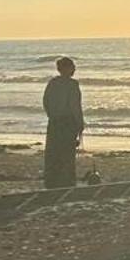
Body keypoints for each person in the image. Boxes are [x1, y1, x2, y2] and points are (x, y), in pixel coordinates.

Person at [42, 56, 84, 188]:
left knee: (53, 153)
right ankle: (67, 182)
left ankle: (52, 181)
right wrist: (80, 123)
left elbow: (45, 102)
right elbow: (75, 106)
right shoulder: (72, 84)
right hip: (67, 122)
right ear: (66, 68)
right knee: (67, 153)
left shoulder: (52, 83)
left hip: (54, 121)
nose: (74, 69)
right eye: (72, 66)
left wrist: (51, 115)